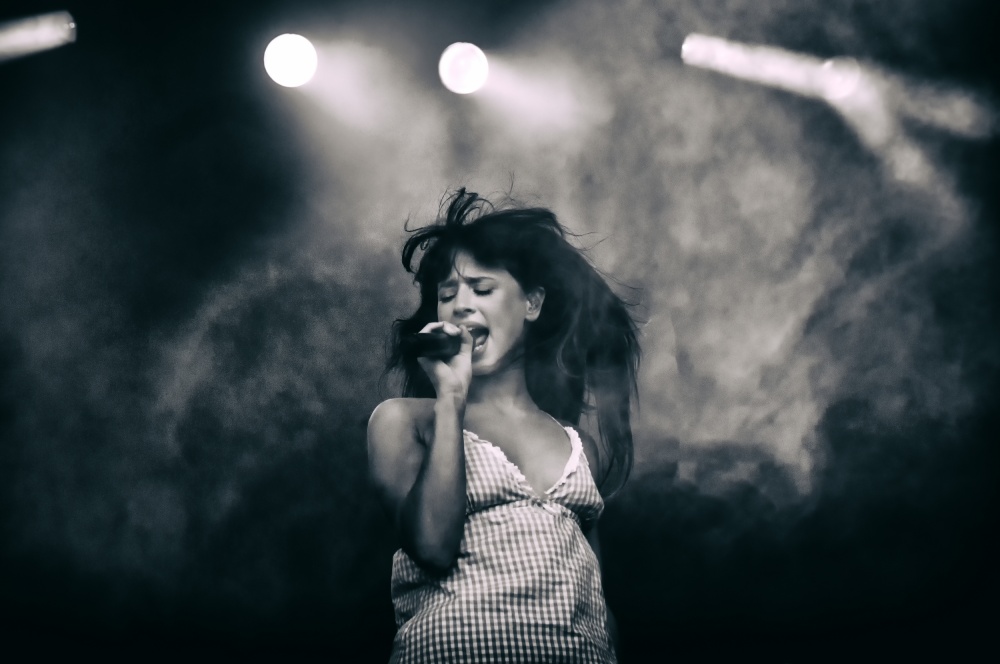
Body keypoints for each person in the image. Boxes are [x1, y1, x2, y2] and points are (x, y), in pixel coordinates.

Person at [367, 189, 641, 663]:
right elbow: (432, 547)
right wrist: (451, 399)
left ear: (531, 303)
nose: (460, 305)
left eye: (482, 288)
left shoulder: (579, 448)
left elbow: (598, 602)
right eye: (447, 295)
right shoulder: (404, 420)